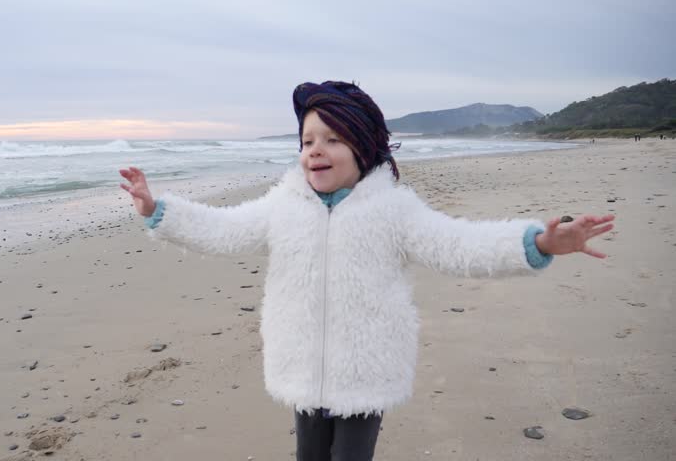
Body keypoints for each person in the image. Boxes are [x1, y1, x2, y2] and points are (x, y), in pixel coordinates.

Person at [119, 81, 615, 460]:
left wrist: (536, 242)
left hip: (367, 369)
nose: (316, 149)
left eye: (332, 139)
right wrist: (157, 209)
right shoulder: (282, 206)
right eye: (308, 139)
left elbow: (459, 245)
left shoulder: (394, 211)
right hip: (300, 365)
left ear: (362, 148)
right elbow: (222, 230)